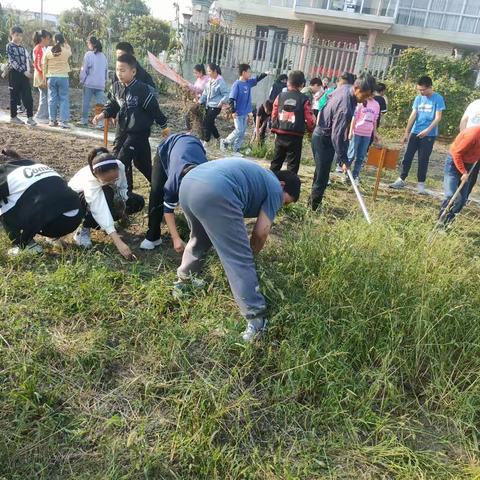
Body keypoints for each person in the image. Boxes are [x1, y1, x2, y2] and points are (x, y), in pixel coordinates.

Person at [174, 158, 301, 342]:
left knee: (199, 237)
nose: (280, 207)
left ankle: (183, 283)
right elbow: (261, 233)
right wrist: (251, 256)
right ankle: (257, 321)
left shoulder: (260, 176)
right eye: (285, 202)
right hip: (216, 190)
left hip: (189, 184)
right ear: (282, 185)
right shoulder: (275, 187)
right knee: (239, 259)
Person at [93, 54, 169, 192]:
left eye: (123, 70)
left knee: (121, 161)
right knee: (139, 163)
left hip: (138, 133)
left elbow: (153, 108)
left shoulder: (142, 89)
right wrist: (103, 114)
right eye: (117, 70)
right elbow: (113, 104)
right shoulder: (116, 87)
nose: (119, 73)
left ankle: (154, 190)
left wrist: (164, 125)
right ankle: (139, 190)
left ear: (133, 72)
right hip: (121, 131)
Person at [310, 72, 376, 210]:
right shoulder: (345, 107)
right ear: (357, 88)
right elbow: (337, 135)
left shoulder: (345, 88)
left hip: (322, 134)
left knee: (320, 172)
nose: (365, 100)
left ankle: (312, 202)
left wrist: (342, 156)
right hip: (324, 138)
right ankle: (313, 208)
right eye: (364, 96)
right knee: (322, 175)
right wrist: (343, 159)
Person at [0, 149, 83, 256]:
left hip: (55, 223)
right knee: (38, 196)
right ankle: (54, 238)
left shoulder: (3, 172)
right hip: (75, 217)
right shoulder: (36, 164)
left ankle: (26, 245)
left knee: (4, 205)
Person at [69, 148, 144, 260]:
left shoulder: (119, 165)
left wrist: (123, 204)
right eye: (108, 180)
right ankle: (83, 230)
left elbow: (123, 187)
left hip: (105, 195)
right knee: (107, 193)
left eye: (115, 178)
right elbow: (98, 209)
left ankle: (111, 222)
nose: (113, 182)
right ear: (95, 174)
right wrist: (118, 242)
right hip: (77, 201)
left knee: (135, 201)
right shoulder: (90, 180)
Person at [140, 133, 208, 252]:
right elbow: (168, 211)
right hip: (168, 147)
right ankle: (153, 236)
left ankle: (197, 237)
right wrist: (175, 238)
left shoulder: (209, 180)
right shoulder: (174, 183)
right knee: (157, 192)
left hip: (194, 145)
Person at [389, 76, 446, 194]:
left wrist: (428, 130)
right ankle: (401, 179)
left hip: (429, 135)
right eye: (419, 90)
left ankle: (421, 184)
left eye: (423, 90)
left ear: (430, 87)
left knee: (423, 159)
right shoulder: (418, 99)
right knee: (407, 156)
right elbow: (413, 115)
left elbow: (438, 117)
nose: (421, 92)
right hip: (415, 132)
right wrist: (407, 132)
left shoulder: (438, 98)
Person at [270, 70, 316, 174]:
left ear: (288, 83)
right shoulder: (304, 99)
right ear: (302, 84)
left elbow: (274, 113)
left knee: (276, 161)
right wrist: (310, 129)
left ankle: (270, 181)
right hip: (295, 135)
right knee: (293, 165)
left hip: (280, 133)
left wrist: (275, 124)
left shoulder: (280, 96)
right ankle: (289, 186)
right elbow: (309, 118)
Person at [437, 126, 480, 226]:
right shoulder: (472, 135)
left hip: (469, 164)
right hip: (453, 162)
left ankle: (448, 222)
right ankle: (440, 221)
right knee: (450, 195)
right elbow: (457, 153)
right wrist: (463, 172)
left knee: (462, 199)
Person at [221, 64, 267, 153]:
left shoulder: (248, 83)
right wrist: (233, 111)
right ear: (243, 72)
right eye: (249, 72)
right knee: (239, 129)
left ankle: (236, 149)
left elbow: (257, 79)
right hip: (237, 112)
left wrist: (265, 74)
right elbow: (231, 99)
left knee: (242, 132)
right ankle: (225, 141)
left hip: (245, 112)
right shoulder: (237, 84)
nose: (250, 74)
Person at [6, 26, 36, 126]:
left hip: (24, 75)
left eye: (20, 35)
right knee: (14, 96)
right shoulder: (9, 46)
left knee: (28, 96)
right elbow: (12, 61)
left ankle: (30, 118)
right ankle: (13, 117)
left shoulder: (23, 49)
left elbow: (29, 61)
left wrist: (32, 69)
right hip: (14, 74)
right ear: (12, 35)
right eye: (16, 35)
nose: (18, 37)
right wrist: (24, 72)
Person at [348, 96, 380, 184]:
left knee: (361, 156)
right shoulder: (361, 102)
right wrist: (351, 131)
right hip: (357, 131)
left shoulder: (376, 104)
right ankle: (347, 174)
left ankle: (355, 175)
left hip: (367, 134)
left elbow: (375, 120)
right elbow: (354, 118)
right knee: (351, 154)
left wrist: (375, 133)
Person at [43, 33, 72, 129]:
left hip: (51, 77)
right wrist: (66, 44)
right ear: (63, 41)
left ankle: (52, 120)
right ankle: (63, 121)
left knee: (52, 98)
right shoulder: (66, 51)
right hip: (63, 77)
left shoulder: (48, 50)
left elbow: (44, 64)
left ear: (54, 40)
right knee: (64, 99)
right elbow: (70, 52)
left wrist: (44, 77)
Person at [79, 36, 108, 127]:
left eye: (88, 43)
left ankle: (84, 121)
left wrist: (82, 80)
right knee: (100, 104)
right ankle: (100, 123)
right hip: (100, 84)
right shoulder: (103, 56)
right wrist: (104, 81)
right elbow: (106, 70)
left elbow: (84, 69)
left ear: (92, 44)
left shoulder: (88, 54)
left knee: (86, 103)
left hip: (89, 83)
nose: (87, 45)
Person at [199, 63, 229, 147]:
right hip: (208, 105)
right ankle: (218, 138)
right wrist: (200, 101)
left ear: (215, 71)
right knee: (210, 123)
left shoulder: (220, 81)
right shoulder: (210, 80)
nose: (208, 73)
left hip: (216, 106)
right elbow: (205, 93)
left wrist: (221, 102)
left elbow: (226, 94)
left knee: (207, 122)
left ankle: (206, 141)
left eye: (209, 71)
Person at [460, 98, 480, 197]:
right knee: (463, 168)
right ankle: (458, 194)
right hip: (468, 141)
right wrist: (462, 136)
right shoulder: (475, 104)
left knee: (474, 172)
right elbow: (464, 120)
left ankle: (465, 196)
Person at [32, 29, 51, 124]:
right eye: (48, 39)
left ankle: (43, 115)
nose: (49, 41)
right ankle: (40, 116)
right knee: (44, 95)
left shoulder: (43, 48)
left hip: (42, 75)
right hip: (41, 76)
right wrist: (44, 75)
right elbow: (38, 64)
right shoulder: (38, 48)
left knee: (45, 95)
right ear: (42, 38)